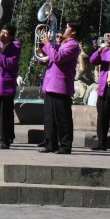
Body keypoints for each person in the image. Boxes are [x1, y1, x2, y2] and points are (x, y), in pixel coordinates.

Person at [40, 21, 80, 154]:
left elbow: (57, 57)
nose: (64, 29)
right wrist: (43, 46)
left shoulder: (73, 45)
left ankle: (65, 145)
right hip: (50, 84)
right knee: (49, 117)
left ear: (73, 32)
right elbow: (47, 58)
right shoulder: (60, 43)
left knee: (63, 117)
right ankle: (50, 143)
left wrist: (47, 44)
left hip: (61, 85)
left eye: (67, 28)